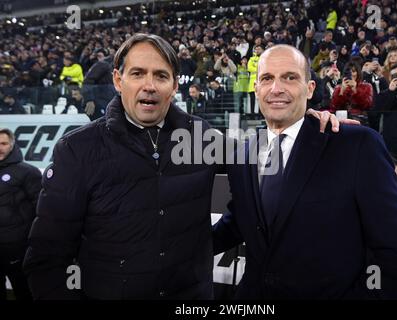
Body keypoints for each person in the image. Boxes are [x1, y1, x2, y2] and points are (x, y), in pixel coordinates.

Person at [22, 34, 346, 300]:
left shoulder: (201, 136)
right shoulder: (77, 150)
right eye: (138, 74)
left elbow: (263, 157)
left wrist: (301, 121)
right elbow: (46, 259)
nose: (149, 85)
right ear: (119, 80)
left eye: (161, 76)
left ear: (174, 86)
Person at [213, 45, 397, 299]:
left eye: (290, 77)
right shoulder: (243, 154)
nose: (276, 88)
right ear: (256, 88)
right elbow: (240, 222)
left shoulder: (355, 144)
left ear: (310, 88)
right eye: (267, 78)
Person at [0, 128, 41, 300]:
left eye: (3, 143)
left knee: (23, 289)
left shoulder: (28, 172)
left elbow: (40, 208)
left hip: (17, 247)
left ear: (12, 145)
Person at [82, 48, 116, 120]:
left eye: (100, 56)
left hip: (109, 103)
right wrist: (89, 100)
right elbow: (87, 81)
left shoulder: (113, 66)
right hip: (100, 103)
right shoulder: (103, 64)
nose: (98, 58)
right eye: (97, 56)